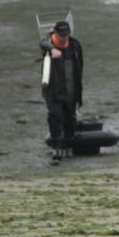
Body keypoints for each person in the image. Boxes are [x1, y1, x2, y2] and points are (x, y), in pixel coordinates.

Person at [40, 20, 83, 162]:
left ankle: (68, 146)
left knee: (69, 118)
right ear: (55, 33)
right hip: (53, 90)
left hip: (71, 89)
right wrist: (52, 50)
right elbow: (43, 42)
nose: (63, 38)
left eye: (66, 35)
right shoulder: (48, 44)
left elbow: (79, 68)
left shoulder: (75, 46)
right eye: (61, 36)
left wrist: (78, 92)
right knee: (54, 115)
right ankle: (56, 147)